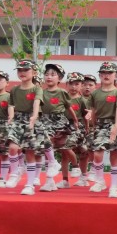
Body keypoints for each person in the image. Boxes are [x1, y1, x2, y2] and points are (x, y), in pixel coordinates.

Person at [87, 62, 117, 198]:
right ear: (100, 75)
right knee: (98, 154)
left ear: (115, 76)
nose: (106, 75)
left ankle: (114, 186)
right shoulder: (95, 94)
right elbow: (93, 112)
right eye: (103, 73)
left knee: (114, 156)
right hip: (100, 126)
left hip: (114, 125)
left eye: (109, 73)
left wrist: (116, 128)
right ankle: (100, 181)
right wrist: (92, 125)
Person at [5, 60, 46, 195]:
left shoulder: (36, 88)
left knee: (29, 152)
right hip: (18, 120)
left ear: (34, 72)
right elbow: (11, 105)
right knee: (12, 147)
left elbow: (36, 102)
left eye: (26, 70)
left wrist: (34, 116)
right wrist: (11, 116)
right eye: (20, 70)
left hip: (30, 120)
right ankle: (15, 172)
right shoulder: (15, 89)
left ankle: (29, 184)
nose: (22, 73)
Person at [38, 63, 77, 192]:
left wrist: (75, 120)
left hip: (58, 122)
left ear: (59, 79)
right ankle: (50, 182)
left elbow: (68, 108)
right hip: (45, 121)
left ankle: (73, 167)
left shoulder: (62, 92)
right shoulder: (41, 92)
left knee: (57, 147)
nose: (49, 77)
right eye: (47, 74)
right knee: (48, 149)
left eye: (53, 75)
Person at [60, 72, 89, 188]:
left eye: (77, 84)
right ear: (67, 84)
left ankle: (82, 176)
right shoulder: (62, 97)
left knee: (83, 153)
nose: (73, 87)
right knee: (64, 153)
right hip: (63, 126)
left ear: (81, 85)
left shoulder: (82, 100)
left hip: (78, 127)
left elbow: (85, 116)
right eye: (71, 84)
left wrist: (87, 128)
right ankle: (65, 180)